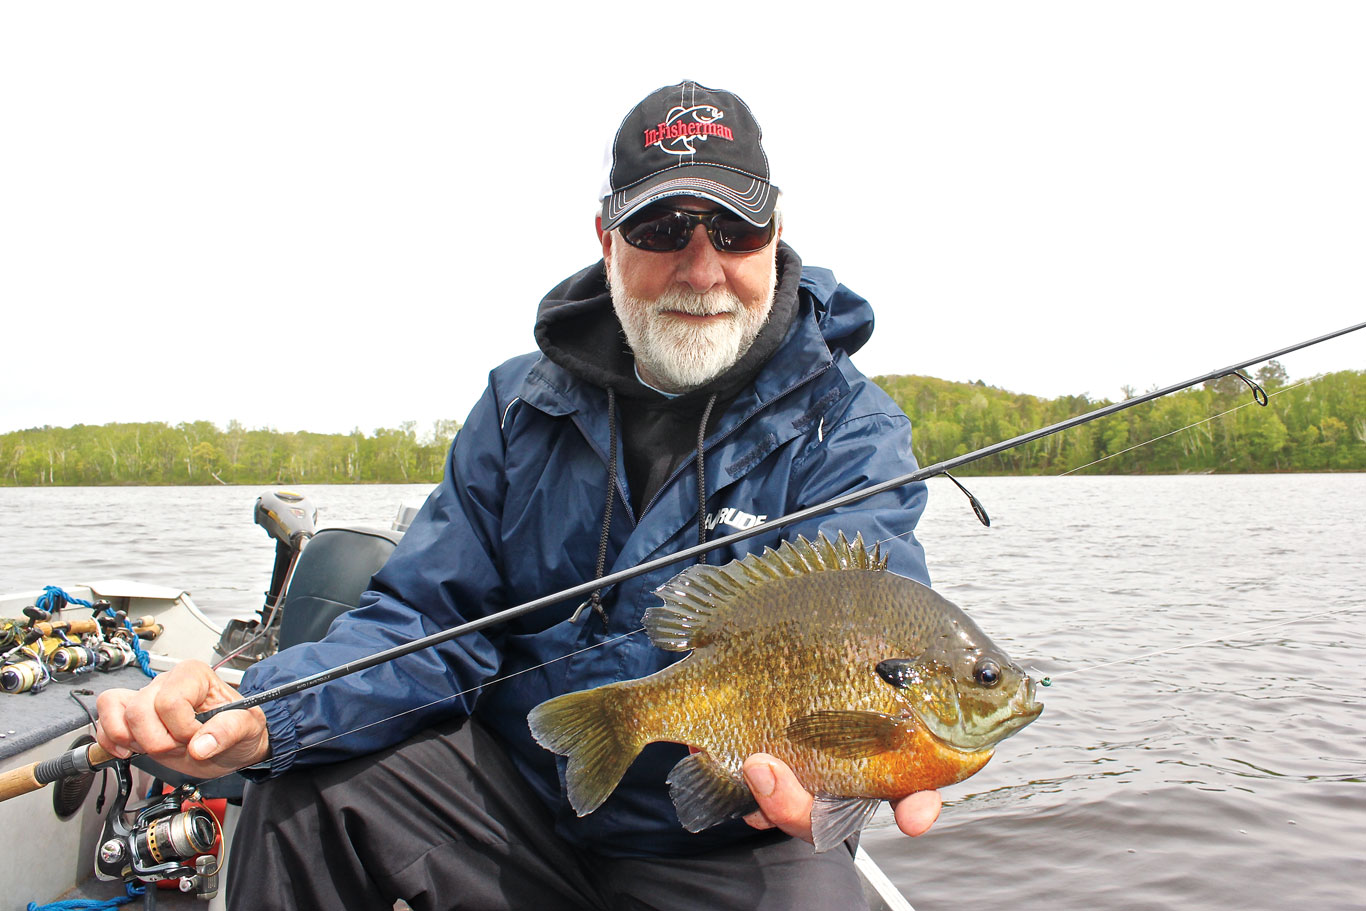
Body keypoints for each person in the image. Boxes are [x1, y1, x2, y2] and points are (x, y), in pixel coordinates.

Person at [95, 80, 941, 910]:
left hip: (723, 834)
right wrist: (264, 711)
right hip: (519, 802)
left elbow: (880, 629)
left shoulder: (852, 432)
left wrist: (861, 773)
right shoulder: (517, 408)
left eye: (735, 226)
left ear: (777, 234)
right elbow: (424, 624)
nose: (703, 265)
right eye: (662, 226)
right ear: (607, 238)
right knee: (305, 787)